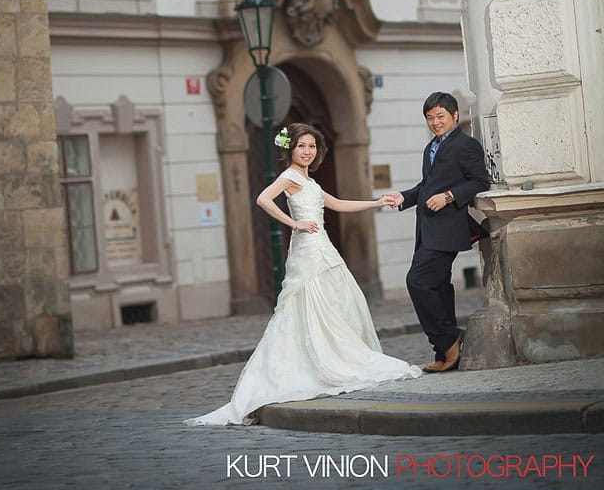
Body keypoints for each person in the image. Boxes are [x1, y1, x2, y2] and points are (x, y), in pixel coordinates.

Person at [185, 121, 421, 426]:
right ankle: (313, 363)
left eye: (311, 146)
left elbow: (336, 204)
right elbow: (263, 199)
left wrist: (376, 202)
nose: (307, 151)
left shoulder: (309, 181)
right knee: (306, 301)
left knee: (335, 301)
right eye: (301, 146)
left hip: (322, 246)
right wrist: (293, 223)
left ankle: (331, 354)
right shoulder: (288, 176)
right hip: (307, 250)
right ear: (290, 149)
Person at [383, 92, 490, 373]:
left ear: (455, 115)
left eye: (440, 116)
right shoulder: (431, 147)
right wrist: (402, 198)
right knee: (439, 286)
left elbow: (480, 181)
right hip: (427, 229)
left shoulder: (465, 145)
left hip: (448, 229)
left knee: (418, 281)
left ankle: (449, 339)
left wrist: (450, 196)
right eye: (430, 118)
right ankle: (446, 354)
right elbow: (425, 187)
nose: (435, 122)